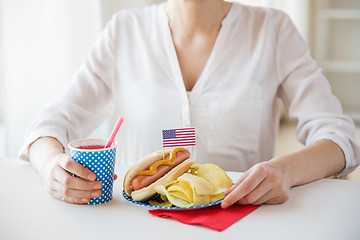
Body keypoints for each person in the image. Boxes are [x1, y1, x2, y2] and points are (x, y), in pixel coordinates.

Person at [20, 0, 360, 208]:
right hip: (134, 228)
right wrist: (52, 167)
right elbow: (48, 125)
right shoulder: (125, 30)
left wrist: (285, 170)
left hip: (241, 226)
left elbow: (342, 139)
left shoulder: (273, 30)